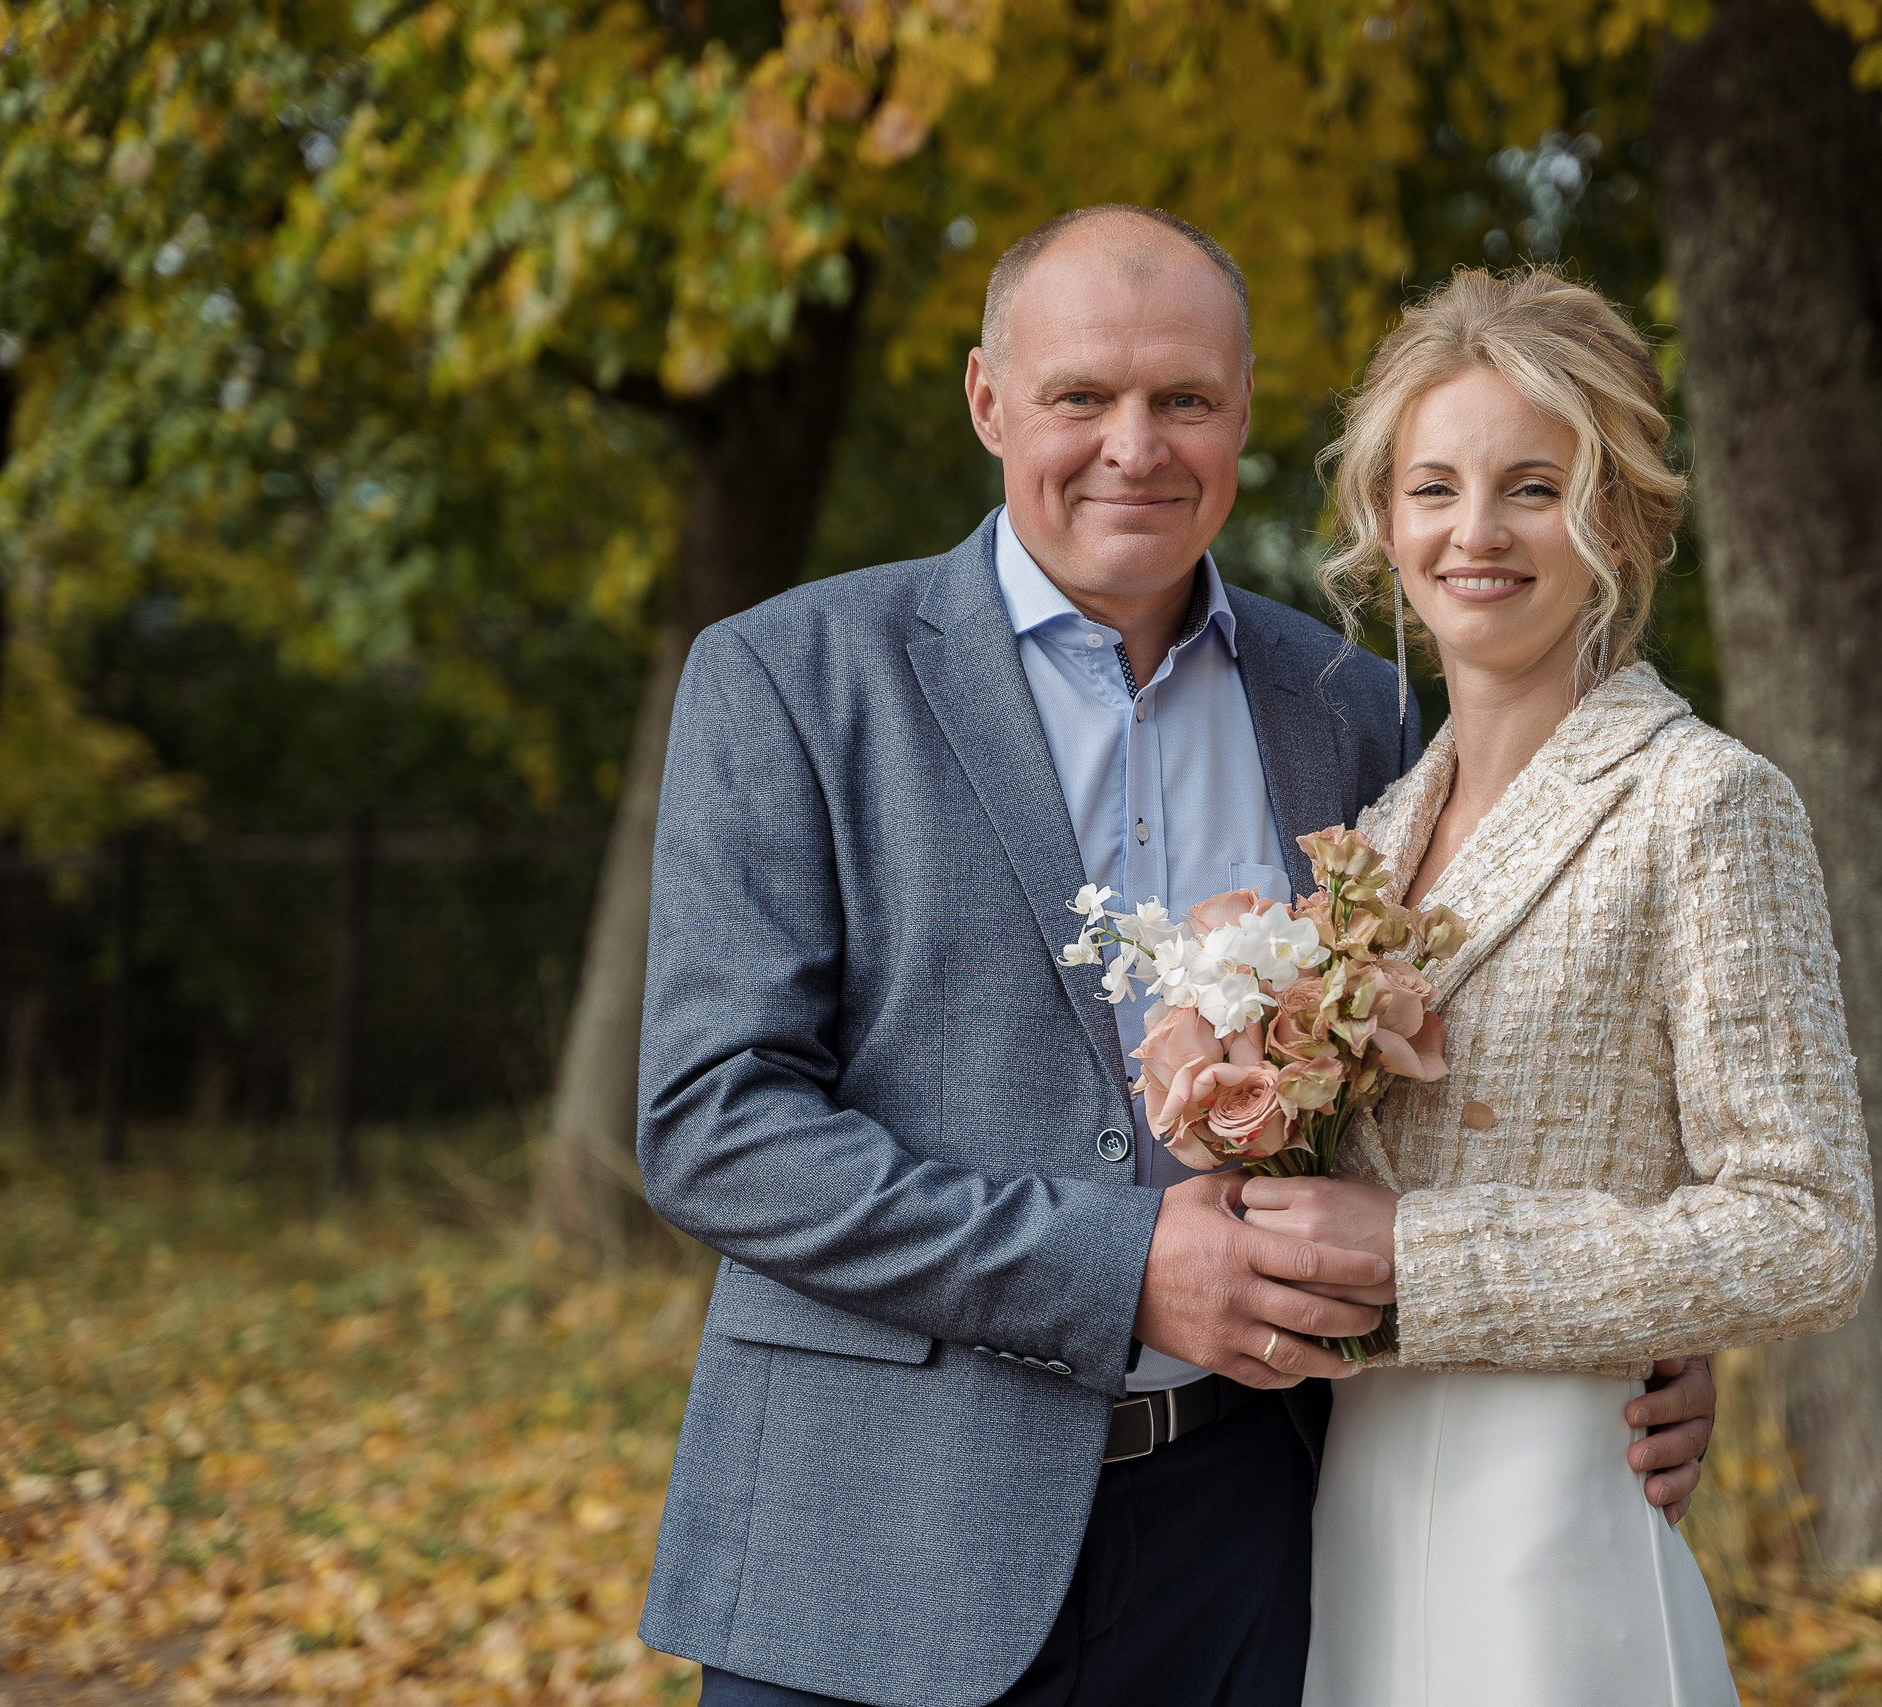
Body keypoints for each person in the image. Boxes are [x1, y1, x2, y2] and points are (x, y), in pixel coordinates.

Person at [632, 208, 1719, 1707]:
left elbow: (1473, 1086)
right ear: (987, 401)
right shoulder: (788, 678)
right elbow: (715, 1132)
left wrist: (1619, 1343)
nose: (1133, 445)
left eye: (1183, 401)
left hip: (1250, 1544)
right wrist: (1123, 1266)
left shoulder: (1356, 709)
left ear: (1243, 416)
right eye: (1083, 396)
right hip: (873, 1540)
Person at [1238, 266, 1876, 1705]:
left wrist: (1419, 1262)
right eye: (1435, 487)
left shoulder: (1704, 802)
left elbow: (1809, 1224)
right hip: (1355, 1513)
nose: (1476, 533)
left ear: (1620, 517)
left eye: (1534, 486)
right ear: (1382, 519)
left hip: (1553, 1525)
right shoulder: (1372, 836)